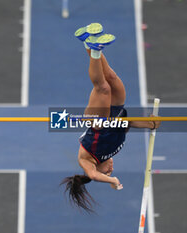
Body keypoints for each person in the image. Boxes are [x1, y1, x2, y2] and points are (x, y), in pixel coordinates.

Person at [61, 23, 160, 213]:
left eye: (108, 171)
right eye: (111, 172)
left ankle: (95, 49)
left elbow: (94, 175)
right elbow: (126, 125)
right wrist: (150, 124)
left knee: (103, 88)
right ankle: (87, 43)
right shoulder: (114, 149)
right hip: (117, 112)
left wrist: (112, 181)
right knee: (112, 78)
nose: (111, 168)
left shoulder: (87, 162)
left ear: (99, 170)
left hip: (96, 122)